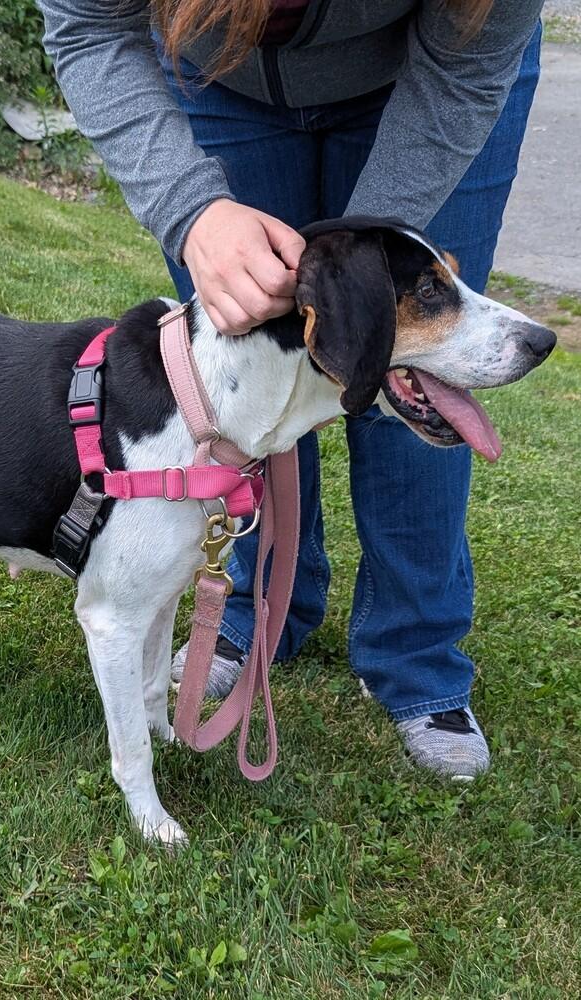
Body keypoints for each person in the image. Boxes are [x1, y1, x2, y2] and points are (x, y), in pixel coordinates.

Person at [37, 0, 545, 779]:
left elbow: (463, 70)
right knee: (250, 375)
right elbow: (87, 26)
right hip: (219, 77)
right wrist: (193, 211)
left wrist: (358, 291)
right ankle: (253, 614)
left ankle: (416, 657)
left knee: (407, 361)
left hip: (440, 74)